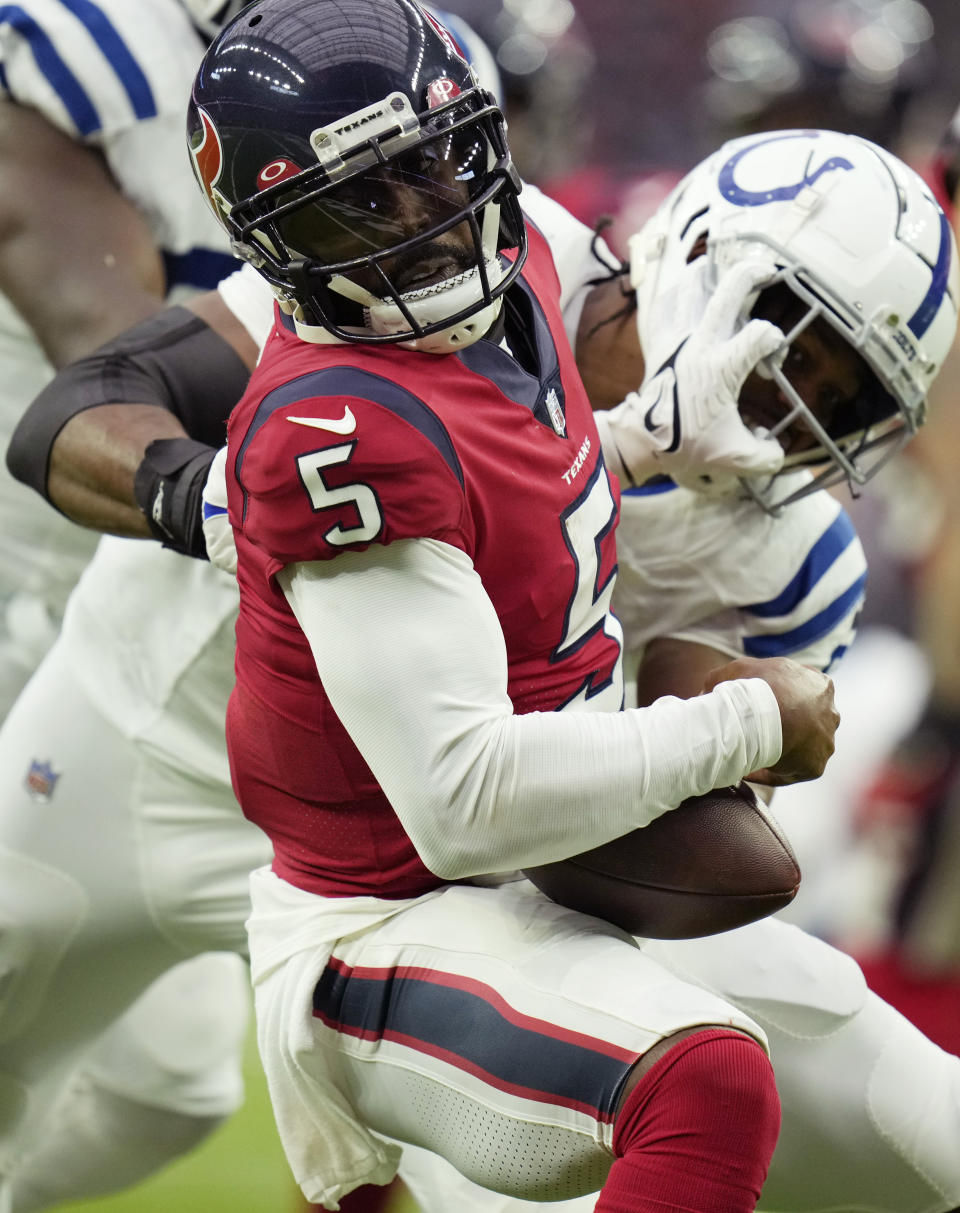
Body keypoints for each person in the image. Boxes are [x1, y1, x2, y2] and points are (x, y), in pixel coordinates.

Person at [9, 34, 960, 1213]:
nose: (792, 410)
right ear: (699, 249)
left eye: (845, 401)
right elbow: (79, 409)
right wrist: (220, 498)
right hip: (151, 731)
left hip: (450, 875)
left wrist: (726, 725)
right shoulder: (487, 254)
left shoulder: (795, 554)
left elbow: (646, 848)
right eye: (787, 341)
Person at [0, 1, 273, 1208]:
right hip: (27, 583)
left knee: (174, 1079)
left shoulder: (392, 66)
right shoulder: (71, 42)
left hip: (137, 626)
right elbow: (101, 353)